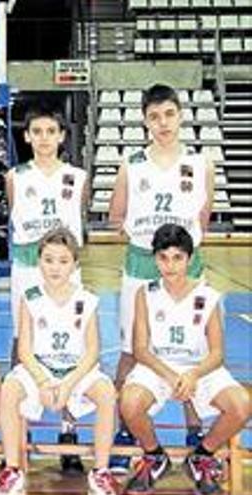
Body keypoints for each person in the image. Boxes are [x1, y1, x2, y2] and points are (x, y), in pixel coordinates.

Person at [108, 83, 215, 470]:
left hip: (187, 265)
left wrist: (178, 249)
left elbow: (203, 219)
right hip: (141, 263)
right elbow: (115, 217)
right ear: (145, 121)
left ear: (180, 115)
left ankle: (194, 427)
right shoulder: (131, 164)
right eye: (154, 116)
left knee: (192, 346)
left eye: (169, 114)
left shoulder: (202, 163)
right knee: (128, 349)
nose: (163, 122)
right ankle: (125, 428)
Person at [120, 224, 250, 495]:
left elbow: (217, 354)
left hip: (199, 369)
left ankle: (202, 456)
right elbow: (140, 349)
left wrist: (193, 375)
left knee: (241, 405)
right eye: (163, 258)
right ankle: (155, 456)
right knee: (129, 403)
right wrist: (170, 375)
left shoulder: (209, 296)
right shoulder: (145, 293)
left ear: (189, 259)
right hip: (157, 367)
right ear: (155, 259)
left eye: (177, 257)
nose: (170, 265)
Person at [0, 228, 119, 495]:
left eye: (63, 261)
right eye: (48, 260)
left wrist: (68, 383)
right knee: (9, 389)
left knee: (106, 392)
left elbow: (93, 350)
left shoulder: (87, 299)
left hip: (76, 370)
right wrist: (43, 381)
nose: (55, 267)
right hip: (39, 368)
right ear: (39, 262)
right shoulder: (30, 298)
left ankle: (101, 470)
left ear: (75, 264)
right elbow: (25, 350)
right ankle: (12, 469)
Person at [6, 106, 89, 471]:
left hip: (67, 268)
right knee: (20, 342)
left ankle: (69, 434)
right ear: (26, 137)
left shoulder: (77, 177)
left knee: (74, 344)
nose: (43, 137)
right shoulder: (14, 176)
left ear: (61, 135)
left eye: (49, 131)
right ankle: (18, 430)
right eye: (36, 131)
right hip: (28, 266)